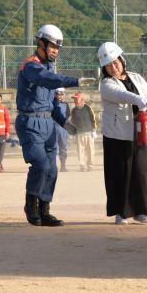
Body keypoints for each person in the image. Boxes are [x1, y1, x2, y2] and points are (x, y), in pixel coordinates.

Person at [16, 24, 96, 227]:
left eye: (58, 47)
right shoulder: (31, 66)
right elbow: (46, 80)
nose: (55, 51)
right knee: (41, 164)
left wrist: (65, 123)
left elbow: (52, 102)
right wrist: (74, 80)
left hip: (49, 123)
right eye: (52, 46)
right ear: (41, 42)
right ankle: (30, 206)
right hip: (30, 122)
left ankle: (45, 210)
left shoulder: (49, 67)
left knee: (52, 169)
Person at [98, 41, 147, 225]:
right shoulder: (106, 84)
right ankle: (121, 213)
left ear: (122, 60)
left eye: (115, 62)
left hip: (139, 133)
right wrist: (138, 99)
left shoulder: (136, 78)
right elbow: (121, 95)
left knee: (140, 172)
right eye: (108, 65)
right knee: (120, 173)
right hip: (117, 135)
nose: (113, 67)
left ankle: (141, 210)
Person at [64, 92, 97, 171]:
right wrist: (72, 132)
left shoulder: (88, 108)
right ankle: (82, 165)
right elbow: (72, 121)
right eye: (74, 99)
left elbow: (93, 119)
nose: (75, 100)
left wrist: (94, 130)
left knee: (90, 151)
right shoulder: (74, 110)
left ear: (81, 99)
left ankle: (90, 165)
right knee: (80, 151)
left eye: (76, 98)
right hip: (79, 134)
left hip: (89, 133)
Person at [54, 88, 70, 173]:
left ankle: (63, 165)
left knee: (63, 146)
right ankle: (53, 166)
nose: (60, 96)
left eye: (62, 94)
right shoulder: (51, 103)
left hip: (62, 128)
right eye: (58, 94)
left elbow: (68, 115)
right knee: (53, 147)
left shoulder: (66, 104)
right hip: (53, 127)